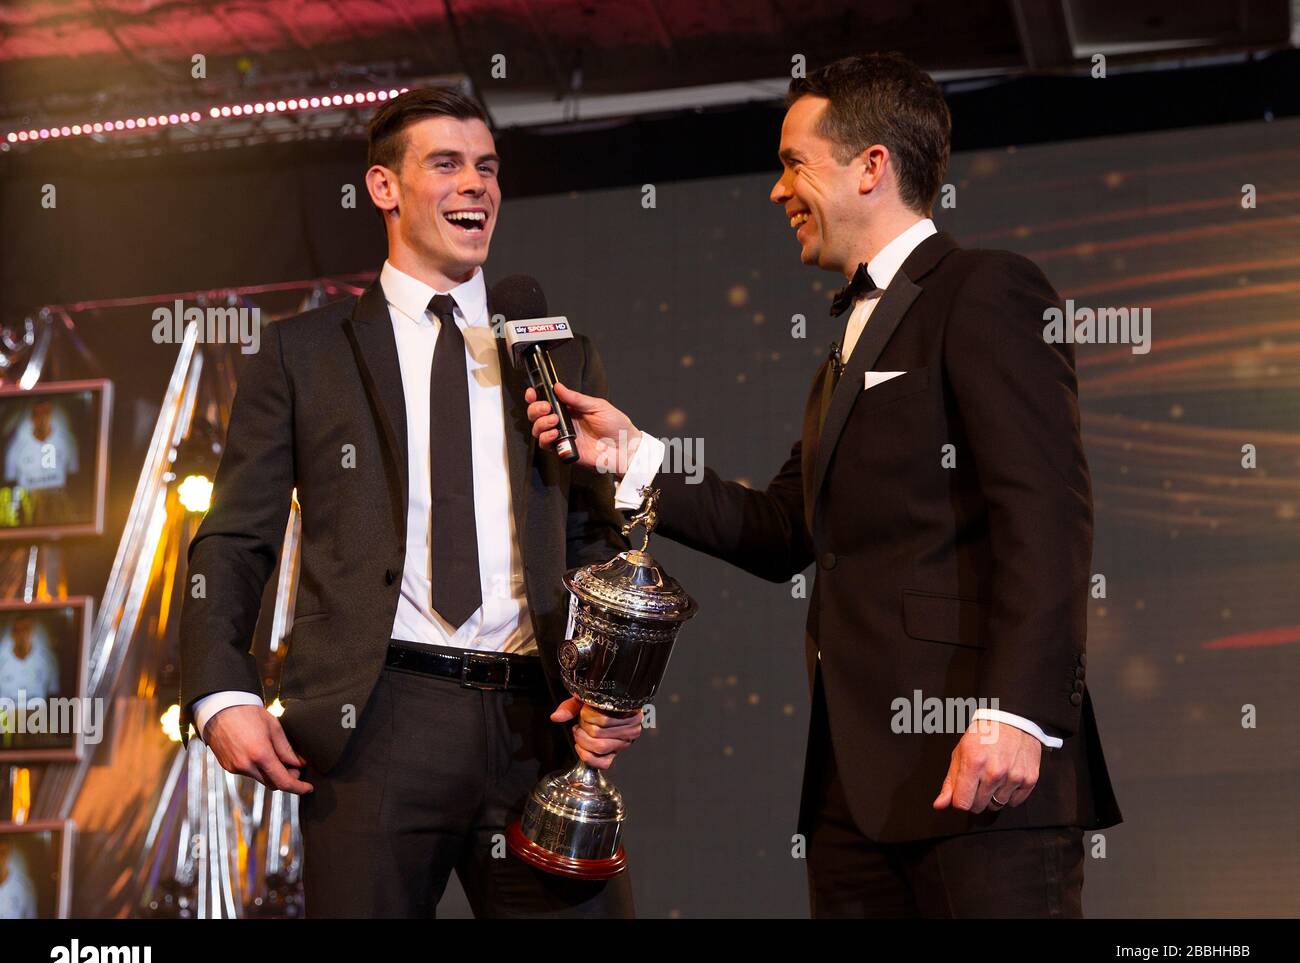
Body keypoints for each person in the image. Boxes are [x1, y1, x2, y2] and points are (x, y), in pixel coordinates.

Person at [528, 52, 1121, 918]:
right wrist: (631, 453)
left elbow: (1047, 514)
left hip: (981, 768)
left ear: (872, 166)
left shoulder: (985, 290)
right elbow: (781, 529)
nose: (778, 191)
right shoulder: (849, 345)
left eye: (793, 162)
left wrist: (1018, 715)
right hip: (856, 794)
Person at [180, 87, 642, 918]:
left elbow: (592, 537)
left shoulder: (551, 346)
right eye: (448, 164)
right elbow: (234, 539)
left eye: (489, 167)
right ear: (384, 188)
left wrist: (612, 684)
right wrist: (222, 692)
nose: (478, 185)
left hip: (537, 723)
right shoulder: (303, 353)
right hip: (376, 722)